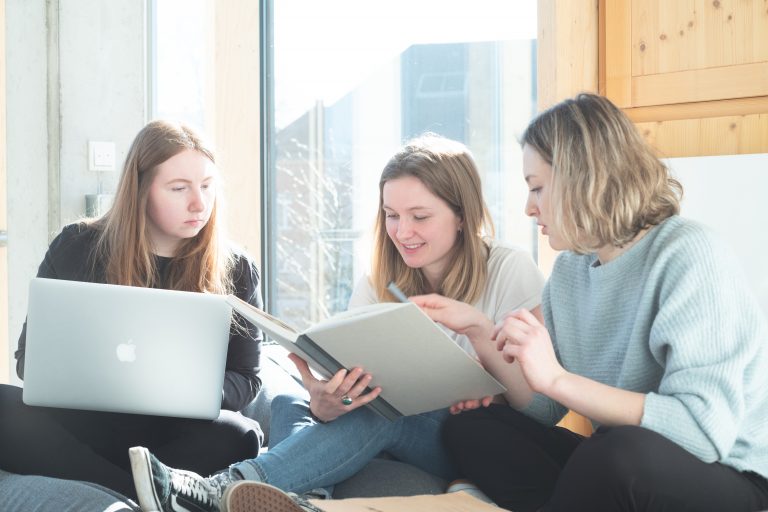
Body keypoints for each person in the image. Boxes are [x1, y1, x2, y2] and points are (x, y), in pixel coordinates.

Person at [128, 133, 546, 512]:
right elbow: (352, 387)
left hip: (472, 439)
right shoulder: (379, 280)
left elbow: (541, 408)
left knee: (385, 411)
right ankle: (301, 501)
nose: (403, 232)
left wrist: (476, 330)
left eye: (420, 216)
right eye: (391, 215)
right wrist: (326, 401)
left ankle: (220, 490)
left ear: (461, 214)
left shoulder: (509, 269)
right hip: (388, 427)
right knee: (291, 404)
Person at [407, 94, 768, 511]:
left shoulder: (688, 253)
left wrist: (558, 378)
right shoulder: (570, 272)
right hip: (623, 460)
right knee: (470, 427)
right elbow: (544, 408)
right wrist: (479, 331)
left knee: (612, 454)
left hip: (731, 474)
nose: (529, 207)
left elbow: (702, 432)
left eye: (537, 188)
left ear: (586, 178)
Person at [0, 120, 264, 500]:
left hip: (173, 430)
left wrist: (181, 390)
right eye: (179, 188)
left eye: (207, 186)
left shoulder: (237, 267)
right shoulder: (77, 246)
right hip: (83, 423)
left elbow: (246, 377)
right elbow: (29, 361)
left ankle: (116, 483)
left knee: (241, 435)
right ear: (141, 190)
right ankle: (144, 491)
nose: (199, 203)